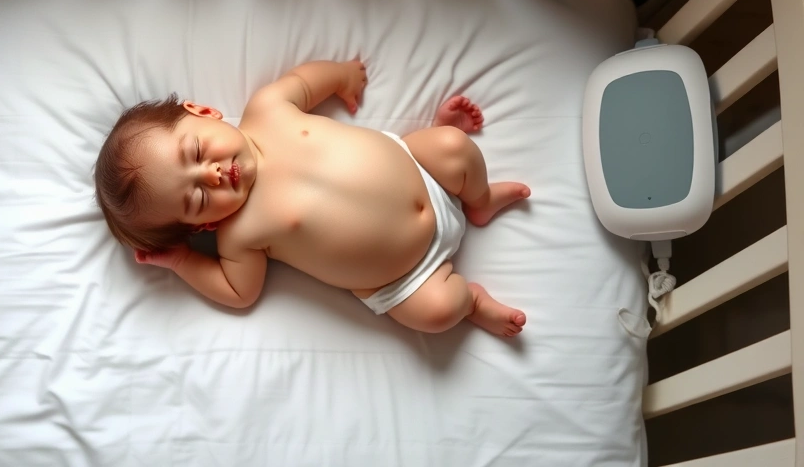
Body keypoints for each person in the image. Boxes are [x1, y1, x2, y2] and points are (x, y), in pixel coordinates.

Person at [95, 60, 530, 335]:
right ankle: (471, 302)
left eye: (196, 153)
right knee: (437, 313)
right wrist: (181, 261)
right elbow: (238, 292)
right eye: (196, 200)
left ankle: (481, 200)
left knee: (452, 145)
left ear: (203, 112)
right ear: (203, 226)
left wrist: (342, 76)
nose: (210, 175)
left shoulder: (266, 109)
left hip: (422, 167)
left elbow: (302, 82)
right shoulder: (239, 236)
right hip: (407, 277)